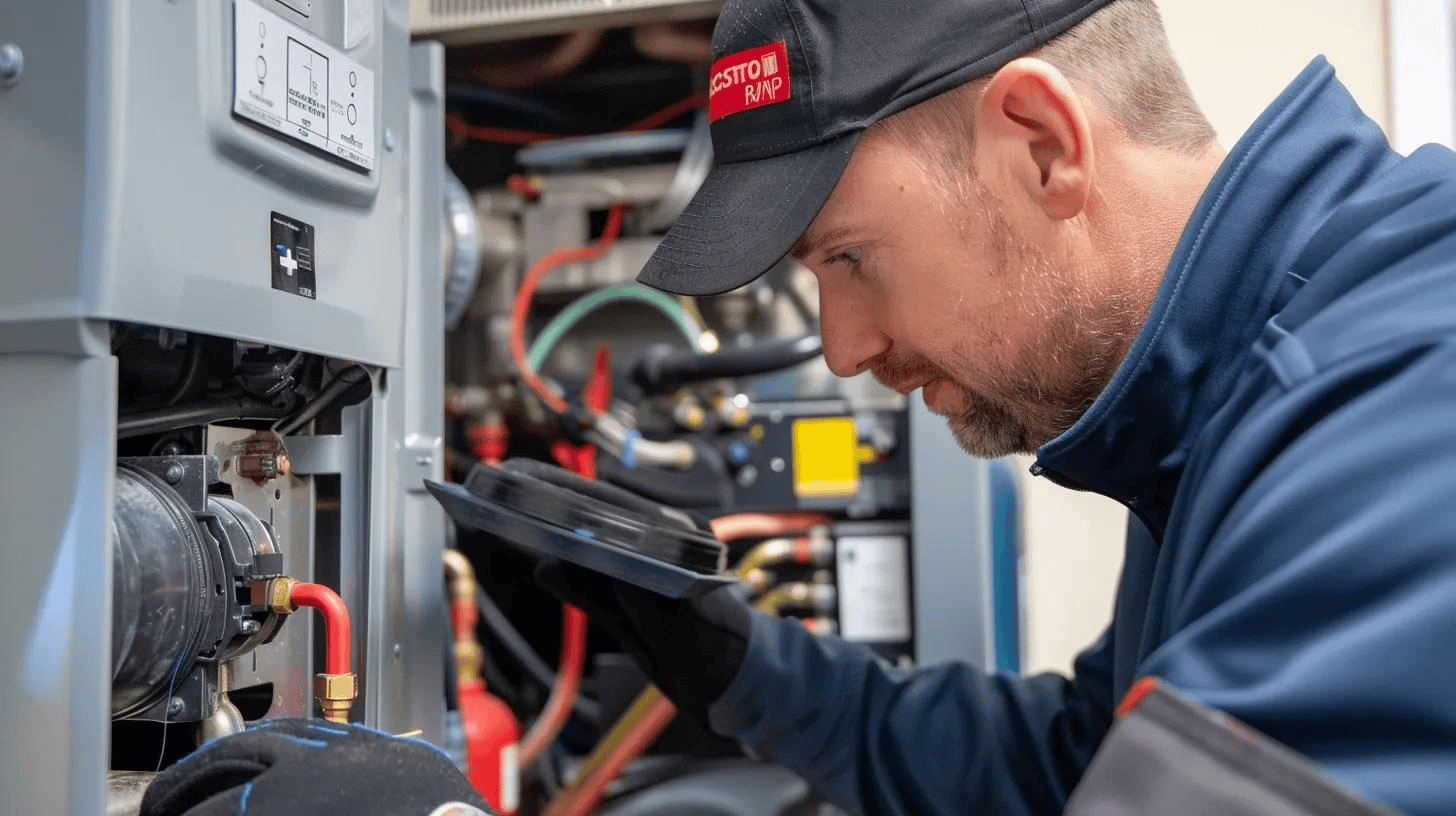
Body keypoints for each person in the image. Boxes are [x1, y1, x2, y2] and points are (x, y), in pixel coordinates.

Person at [147, 0, 1456, 813]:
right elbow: (1070, 774)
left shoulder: (1404, 401)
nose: (845, 347)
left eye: (846, 258)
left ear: (1045, 144)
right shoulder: (1225, 407)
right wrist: (745, 669)